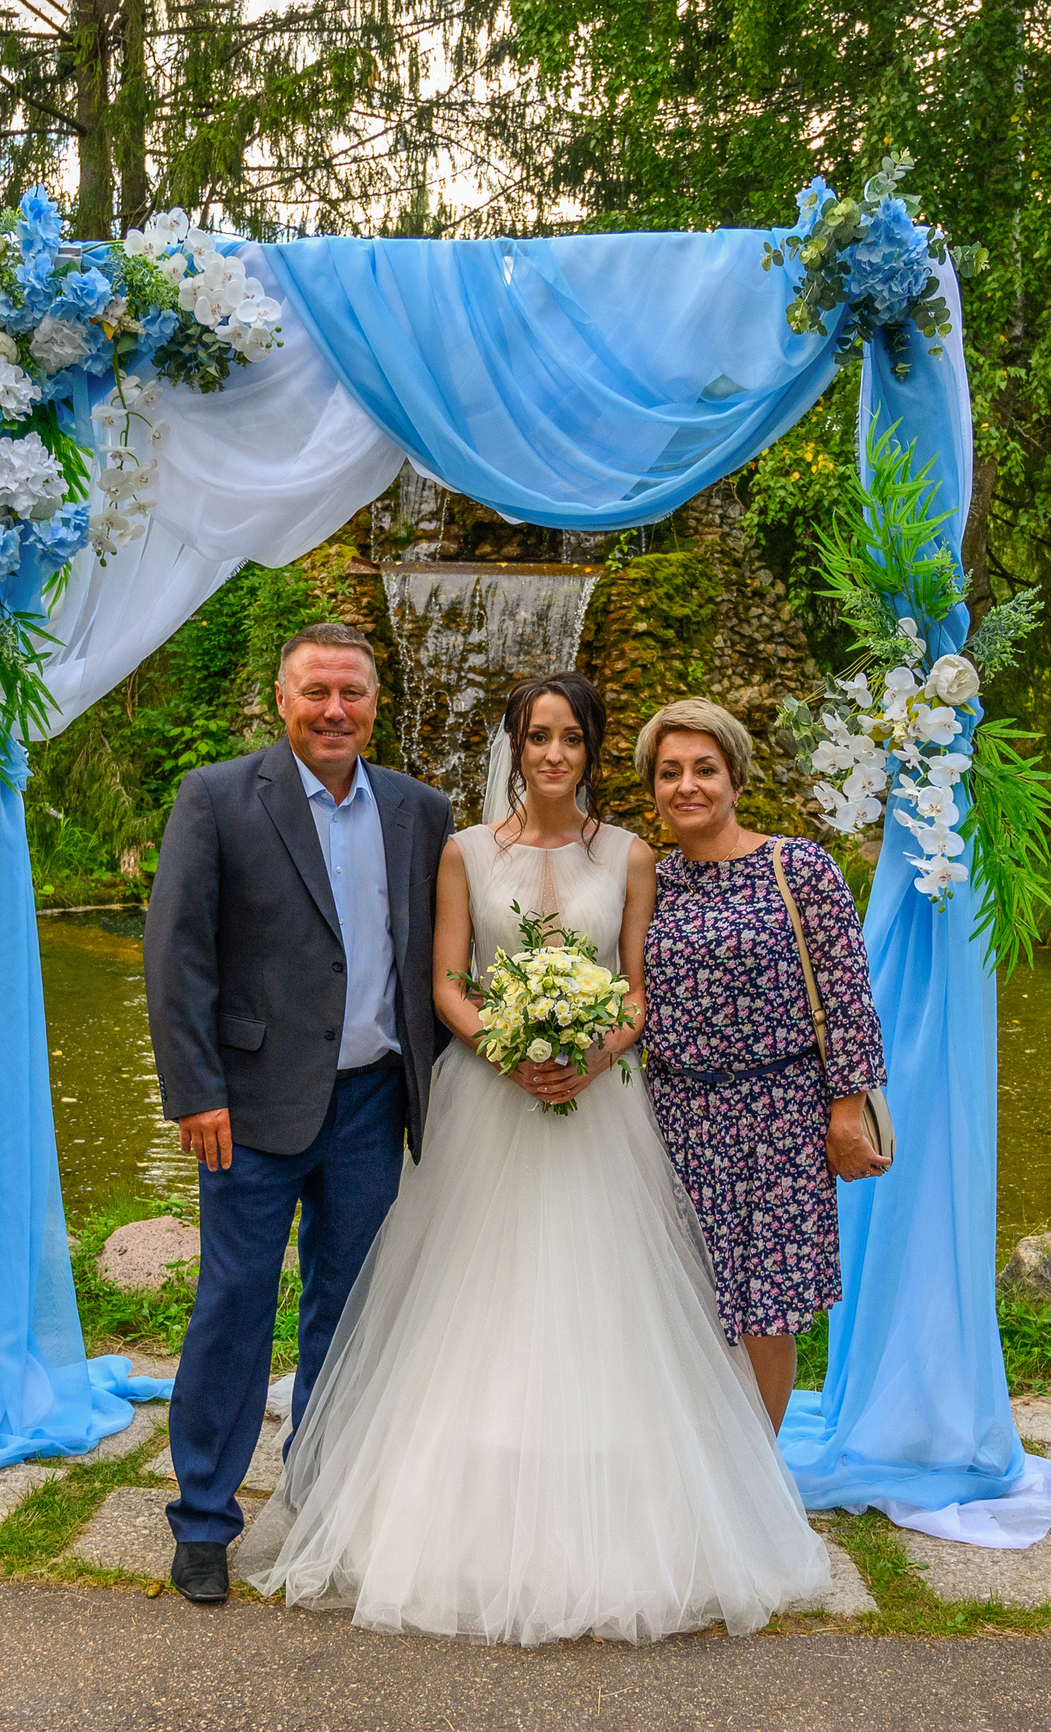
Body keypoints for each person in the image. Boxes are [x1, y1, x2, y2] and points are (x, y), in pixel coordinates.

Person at [248, 671, 829, 1644]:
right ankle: (452, 1514)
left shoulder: (635, 857)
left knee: (606, 1303)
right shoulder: (463, 853)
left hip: (603, 1108)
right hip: (492, 1102)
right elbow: (443, 983)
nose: (552, 755)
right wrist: (508, 1048)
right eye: (536, 737)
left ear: (591, 753)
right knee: (477, 1302)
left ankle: (637, 1512)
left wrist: (593, 1049)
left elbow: (638, 992)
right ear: (513, 748)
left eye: (570, 739)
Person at [143, 620, 454, 1607]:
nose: (333, 710)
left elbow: (436, 956)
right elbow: (178, 951)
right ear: (283, 701)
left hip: (372, 1098)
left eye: (351, 694)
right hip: (247, 1104)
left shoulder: (419, 810)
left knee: (348, 1314)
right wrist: (194, 1089)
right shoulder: (220, 797)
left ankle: (323, 1500)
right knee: (234, 1303)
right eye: (315, 692)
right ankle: (202, 1519)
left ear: (374, 704)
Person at [636, 699, 888, 1435]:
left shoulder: (797, 866)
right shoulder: (653, 879)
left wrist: (846, 1113)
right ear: (652, 788)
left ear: (736, 779)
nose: (687, 785)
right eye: (669, 771)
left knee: (766, 1310)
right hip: (675, 1119)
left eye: (704, 769)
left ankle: (757, 1479)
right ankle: (698, 1473)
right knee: (686, 1300)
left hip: (779, 1119)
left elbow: (848, 997)